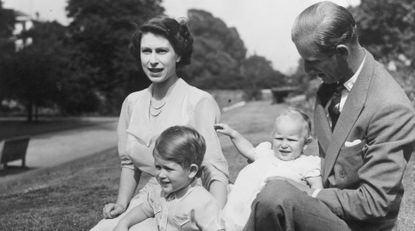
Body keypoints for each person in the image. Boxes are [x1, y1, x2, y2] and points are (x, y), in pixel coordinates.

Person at [244, 2, 415, 231]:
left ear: (342, 52)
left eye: (312, 61)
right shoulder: (331, 87)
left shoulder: (390, 107)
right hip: (327, 210)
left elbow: (375, 202)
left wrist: (311, 193)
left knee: (276, 195)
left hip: (361, 225)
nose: (305, 70)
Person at [91, 15, 229, 230]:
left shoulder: (198, 101)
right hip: (153, 197)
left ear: (179, 55)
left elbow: (214, 170)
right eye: (146, 51)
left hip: (189, 200)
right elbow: (129, 164)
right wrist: (121, 204)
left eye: (162, 51)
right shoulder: (132, 102)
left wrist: (215, 216)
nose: (152, 60)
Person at [215, 108, 322, 231]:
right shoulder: (266, 153)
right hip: (238, 211)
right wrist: (232, 134)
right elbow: (249, 150)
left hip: (267, 220)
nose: (284, 144)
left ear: (306, 143)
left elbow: (317, 192)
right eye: (279, 138)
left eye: (291, 140)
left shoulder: (306, 164)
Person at [113, 126, 225, 231]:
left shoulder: (202, 203)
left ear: (191, 171)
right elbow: (144, 210)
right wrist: (124, 223)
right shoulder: (159, 192)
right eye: (158, 167)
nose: (161, 174)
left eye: (168, 169)